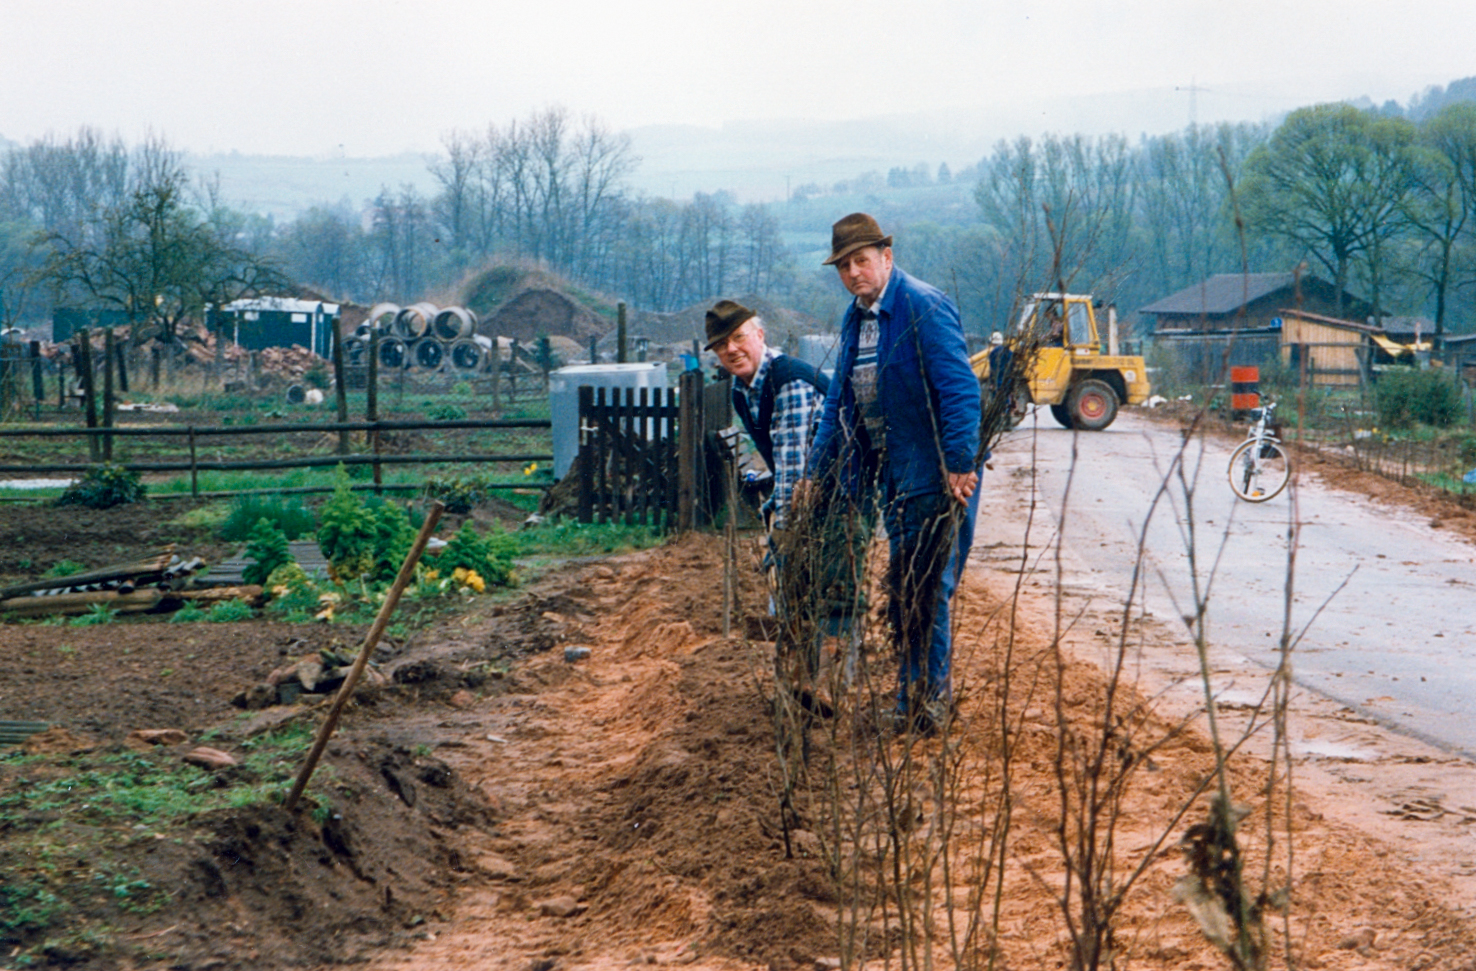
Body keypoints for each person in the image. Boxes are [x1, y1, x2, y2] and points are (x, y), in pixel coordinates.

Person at [802, 212, 983, 736]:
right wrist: (816, 470)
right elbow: (839, 400)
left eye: (862, 261)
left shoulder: (922, 305)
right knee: (908, 591)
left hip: (935, 473)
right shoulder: (856, 318)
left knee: (928, 588)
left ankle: (928, 704)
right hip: (894, 477)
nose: (853, 273)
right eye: (844, 266)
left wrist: (959, 462)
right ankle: (910, 699)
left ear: (886, 257)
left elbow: (959, 387)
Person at [706, 299, 838, 690]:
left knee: (834, 594)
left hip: (841, 494)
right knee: (797, 591)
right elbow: (781, 464)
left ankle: (829, 690)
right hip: (808, 493)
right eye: (721, 345)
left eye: (738, 337)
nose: (731, 349)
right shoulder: (742, 390)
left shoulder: (789, 382)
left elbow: (796, 471)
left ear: (760, 335)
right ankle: (797, 685)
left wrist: (779, 542)